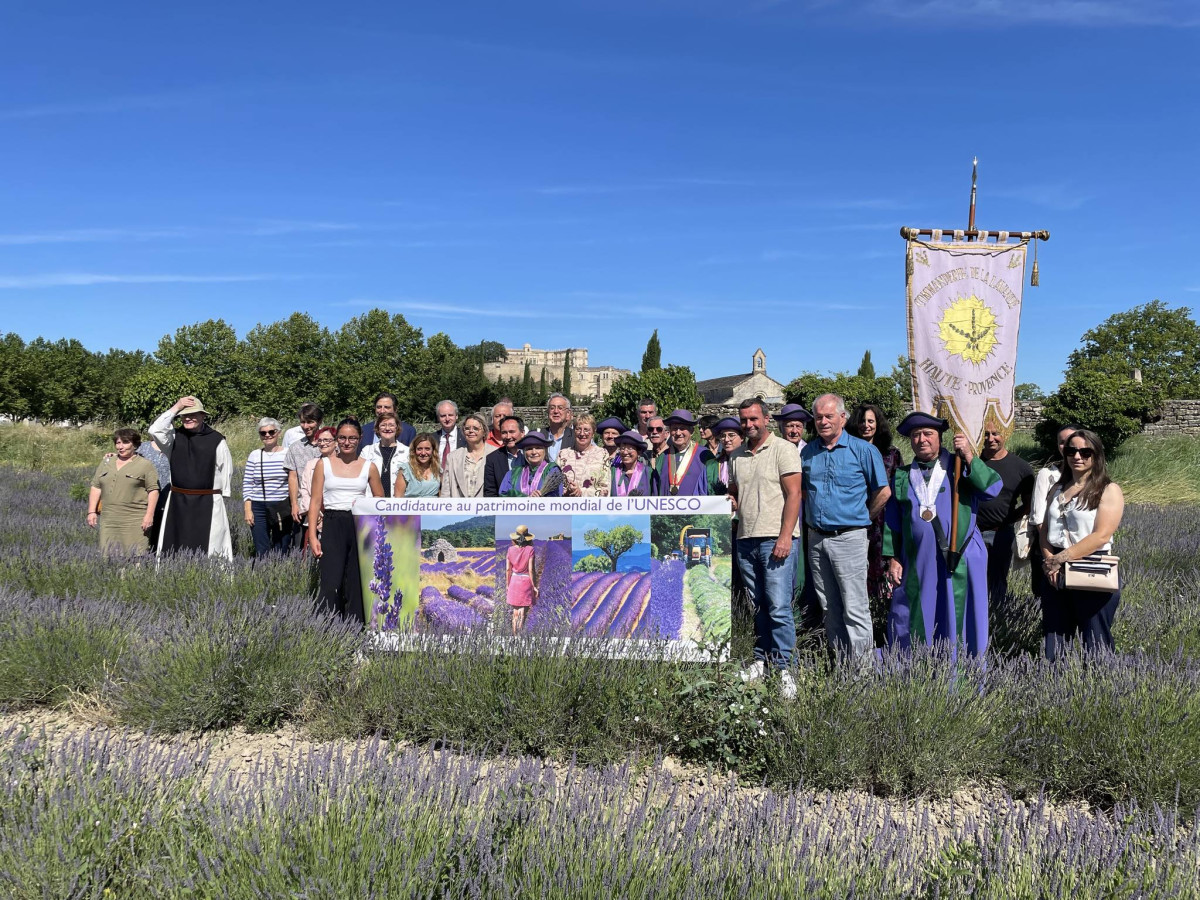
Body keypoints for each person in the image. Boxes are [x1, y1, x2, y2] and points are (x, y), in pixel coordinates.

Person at [882, 413, 1001, 657]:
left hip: (960, 557)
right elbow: (893, 520)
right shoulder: (902, 475)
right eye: (915, 435)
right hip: (918, 560)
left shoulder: (958, 466)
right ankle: (915, 672)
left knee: (957, 613)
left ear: (940, 438)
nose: (921, 439)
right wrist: (893, 557)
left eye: (928, 434)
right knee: (914, 611)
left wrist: (969, 455)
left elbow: (992, 488)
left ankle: (962, 678)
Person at [800, 394, 890, 666]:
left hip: (849, 538)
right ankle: (842, 666)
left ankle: (862, 675)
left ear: (843, 418)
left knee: (855, 608)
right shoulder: (808, 452)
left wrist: (862, 518)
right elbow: (804, 492)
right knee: (830, 608)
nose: (823, 421)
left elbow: (883, 491)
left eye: (829, 416)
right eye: (818, 417)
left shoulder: (864, 451)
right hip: (816, 539)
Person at [729, 399, 802, 699]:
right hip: (746, 538)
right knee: (757, 604)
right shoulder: (736, 456)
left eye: (754, 419)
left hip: (776, 539)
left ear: (767, 419)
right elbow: (735, 493)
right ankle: (761, 659)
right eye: (744, 420)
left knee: (779, 606)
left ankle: (785, 668)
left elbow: (794, 494)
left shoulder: (784, 450)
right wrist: (731, 502)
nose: (749, 425)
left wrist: (786, 536)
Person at [1039, 429, 1125, 659]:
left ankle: (1101, 690)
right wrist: (1049, 560)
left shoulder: (1108, 490)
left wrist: (1059, 560)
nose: (1077, 456)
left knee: (1096, 641)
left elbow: (1101, 536)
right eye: (1071, 450)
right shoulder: (1056, 488)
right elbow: (1045, 529)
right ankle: (1053, 689)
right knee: (1054, 640)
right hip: (1054, 570)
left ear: (1096, 455)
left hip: (1091, 568)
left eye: (1085, 451)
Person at [308, 418, 385, 623]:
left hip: (359, 525)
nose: (347, 442)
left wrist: (364, 503)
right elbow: (315, 502)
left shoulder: (369, 467)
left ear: (360, 439)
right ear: (336, 440)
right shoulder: (323, 464)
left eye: (352, 438)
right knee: (331, 580)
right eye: (342, 437)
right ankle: (328, 627)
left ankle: (355, 629)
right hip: (333, 523)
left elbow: (380, 500)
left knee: (356, 580)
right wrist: (313, 536)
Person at [149, 396, 234, 560]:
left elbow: (226, 470)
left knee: (212, 546)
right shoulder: (172, 438)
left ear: (203, 416)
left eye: (193, 414)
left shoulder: (217, 440)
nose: (188, 418)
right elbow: (155, 430)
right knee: (174, 544)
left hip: (208, 501)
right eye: (184, 415)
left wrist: (222, 495)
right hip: (177, 502)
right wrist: (176, 407)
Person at [847, 403, 904, 642]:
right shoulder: (848, 451)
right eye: (862, 421)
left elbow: (898, 491)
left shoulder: (891, 454)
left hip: (884, 520)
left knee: (885, 571)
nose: (866, 425)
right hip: (855, 519)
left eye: (871, 421)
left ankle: (884, 628)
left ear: (878, 424)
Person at [976, 425, 1034, 608]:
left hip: (1000, 534)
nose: (990, 438)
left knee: (997, 582)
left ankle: (997, 623)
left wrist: (1008, 520)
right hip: (970, 533)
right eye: (985, 434)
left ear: (1005, 435)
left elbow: (1029, 504)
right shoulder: (972, 462)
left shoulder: (1021, 468)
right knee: (970, 580)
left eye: (995, 433)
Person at [1028, 424, 1082, 599]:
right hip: (1048, 548)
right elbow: (1038, 518)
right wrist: (1051, 559)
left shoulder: (1090, 477)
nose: (1066, 446)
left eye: (1070, 441)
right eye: (1061, 442)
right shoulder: (1047, 474)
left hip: (1080, 551)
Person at [87, 428, 160, 555]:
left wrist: (149, 515)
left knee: (136, 554)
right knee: (109, 554)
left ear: (135, 444)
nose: (120, 447)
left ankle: (135, 575)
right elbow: (96, 486)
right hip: (109, 518)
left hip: (134, 518)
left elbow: (153, 490)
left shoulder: (145, 465)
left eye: (125, 442)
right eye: (118, 443)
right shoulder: (106, 462)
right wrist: (91, 511)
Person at [241, 417, 293, 556]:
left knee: (281, 546)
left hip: (281, 505)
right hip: (258, 506)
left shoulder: (288, 453)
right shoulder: (255, 455)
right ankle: (263, 574)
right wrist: (248, 509)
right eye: (263, 433)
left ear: (278, 433)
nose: (267, 435)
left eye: (271, 432)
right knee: (261, 547)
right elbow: (247, 483)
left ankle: (280, 575)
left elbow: (294, 480)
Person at [706, 417, 745, 595]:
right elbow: (702, 494)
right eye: (723, 436)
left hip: (744, 528)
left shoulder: (749, 461)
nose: (726, 439)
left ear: (742, 437)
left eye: (732, 435)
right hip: (720, 529)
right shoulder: (712, 466)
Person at [284, 403, 325, 544]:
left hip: (327, 505)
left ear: (319, 422)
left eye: (310, 422)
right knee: (301, 546)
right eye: (303, 422)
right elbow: (293, 477)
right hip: (303, 506)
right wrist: (294, 504)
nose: (306, 426)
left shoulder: (329, 445)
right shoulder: (295, 447)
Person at [297, 426, 338, 549]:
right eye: (320, 440)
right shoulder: (311, 465)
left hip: (336, 516)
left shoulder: (343, 464)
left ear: (336, 442)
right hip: (315, 517)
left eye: (327, 440)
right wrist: (315, 514)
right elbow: (304, 490)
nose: (322, 443)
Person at [653, 409, 708, 496]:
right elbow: (655, 491)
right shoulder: (662, 457)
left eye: (682, 428)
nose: (678, 433)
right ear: (670, 431)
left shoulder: (705, 455)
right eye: (674, 429)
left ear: (692, 431)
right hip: (667, 508)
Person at [440, 414, 495, 498]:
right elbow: (446, 491)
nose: (471, 431)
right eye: (467, 428)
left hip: (485, 508)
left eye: (476, 428)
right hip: (459, 508)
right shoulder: (452, 457)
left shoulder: (495, 454)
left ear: (484, 431)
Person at [556, 413, 611, 497]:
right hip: (566, 506)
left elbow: (606, 489)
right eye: (578, 429)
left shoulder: (602, 454)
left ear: (593, 432)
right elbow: (555, 484)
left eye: (586, 430)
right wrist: (566, 491)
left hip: (591, 507)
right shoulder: (563, 454)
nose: (582, 433)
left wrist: (581, 492)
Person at [359, 412, 410, 499]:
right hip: (372, 502)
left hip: (398, 504)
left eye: (391, 425)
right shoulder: (367, 451)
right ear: (377, 428)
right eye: (383, 425)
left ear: (396, 427)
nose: (387, 428)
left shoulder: (407, 452)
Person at [501, 431, 564, 497]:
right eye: (529, 449)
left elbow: (556, 496)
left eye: (538, 448)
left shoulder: (552, 470)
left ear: (545, 450)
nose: (534, 452)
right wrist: (525, 498)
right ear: (524, 452)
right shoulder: (513, 474)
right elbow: (503, 495)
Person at [505, 524, 540, 633]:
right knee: (522, 613)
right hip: (525, 582)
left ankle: (515, 638)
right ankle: (520, 638)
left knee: (515, 613)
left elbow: (508, 569)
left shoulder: (510, 550)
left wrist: (507, 584)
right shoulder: (530, 549)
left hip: (514, 581)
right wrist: (534, 586)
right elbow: (531, 570)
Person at [484, 415, 525, 498]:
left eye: (512, 432)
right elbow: (490, 492)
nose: (508, 437)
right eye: (504, 433)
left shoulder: (533, 454)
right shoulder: (492, 459)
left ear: (522, 433)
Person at [610, 431, 654, 496]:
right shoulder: (612, 472)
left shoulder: (649, 473)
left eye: (630, 449)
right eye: (622, 448)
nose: (625, 452)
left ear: (639, 452)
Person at [434, 401, 467, 471]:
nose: (447, 419)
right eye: (443, 416)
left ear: (456, 416)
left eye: (450, 415)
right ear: (438, 418)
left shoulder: (466, 437)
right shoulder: (432, 438)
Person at [545, 393, 575, 463]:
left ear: (568, 414)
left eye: (560, 408)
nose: (556, 411)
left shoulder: (576, 436)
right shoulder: (539, 435)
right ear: (548, 412)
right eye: (552, 408)